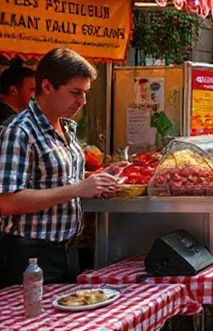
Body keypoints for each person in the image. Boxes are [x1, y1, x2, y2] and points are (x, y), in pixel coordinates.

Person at [0, 48, 123, 286]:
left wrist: (99, 177)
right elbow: (6, 201)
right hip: (29, 255)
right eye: (75, 93)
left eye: (85, 93)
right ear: (47, 87)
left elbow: (57, 178)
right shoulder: (19, 131)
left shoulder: (66, 127)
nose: (83, 101)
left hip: (68, 250)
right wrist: (77, 189)